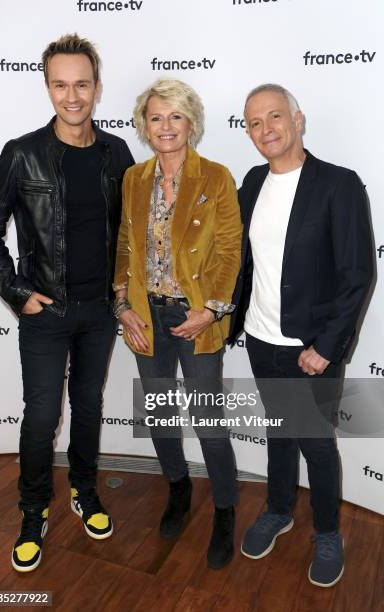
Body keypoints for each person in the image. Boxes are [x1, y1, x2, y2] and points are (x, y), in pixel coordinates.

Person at [0, 33, 134, 572]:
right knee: (42, 416)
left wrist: (123, 292)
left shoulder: (117, 153)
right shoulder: (21, 153)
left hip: (98, 313)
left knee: (88, 407)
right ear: (47, 87)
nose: (73, 96)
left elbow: (131, 230)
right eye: (61, 85)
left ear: (96, 86)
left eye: (82, 84)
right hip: (46, 313)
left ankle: (84, 491)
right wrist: (17, 294)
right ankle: (31, 510)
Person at [229, 84, 373, 587]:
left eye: (275, 117)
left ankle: (329, 532)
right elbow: (242, 261)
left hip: (312, 349)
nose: (265, 130)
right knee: (279, 433)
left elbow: (358, 275)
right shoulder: (251, 182)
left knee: (316, 444)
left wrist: (326, 348)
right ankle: (279, 509)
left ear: (298, 119)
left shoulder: (338, 184)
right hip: (261, 340)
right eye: (254, 122)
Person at [113, 79, 242, 569]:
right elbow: (125, 244)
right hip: (147, 317)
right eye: (156, 117)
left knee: (209, 422)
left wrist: (210, 310)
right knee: (162, 418)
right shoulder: (133, 178)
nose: (165, 126)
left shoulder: (216, 177)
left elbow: (231, 251)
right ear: (144, 125)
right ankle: (178, 490)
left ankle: (226, 512)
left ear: (191, 123)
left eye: (175, 116)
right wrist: (122, 306)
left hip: (197, 318)